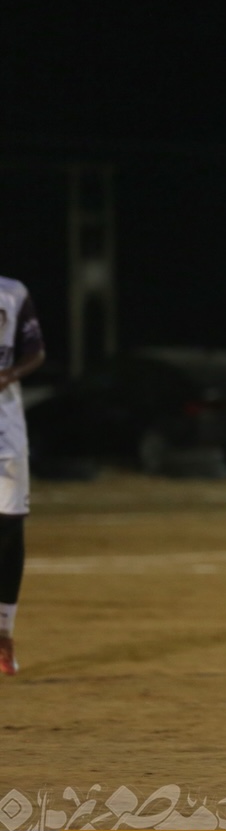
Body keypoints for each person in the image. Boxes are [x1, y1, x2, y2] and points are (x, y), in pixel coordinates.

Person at [0, 275, 45, 676]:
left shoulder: (13, 293)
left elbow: (36, 352)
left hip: (6, 425)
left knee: (10, 527)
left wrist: (9, 374)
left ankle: (4, 633)